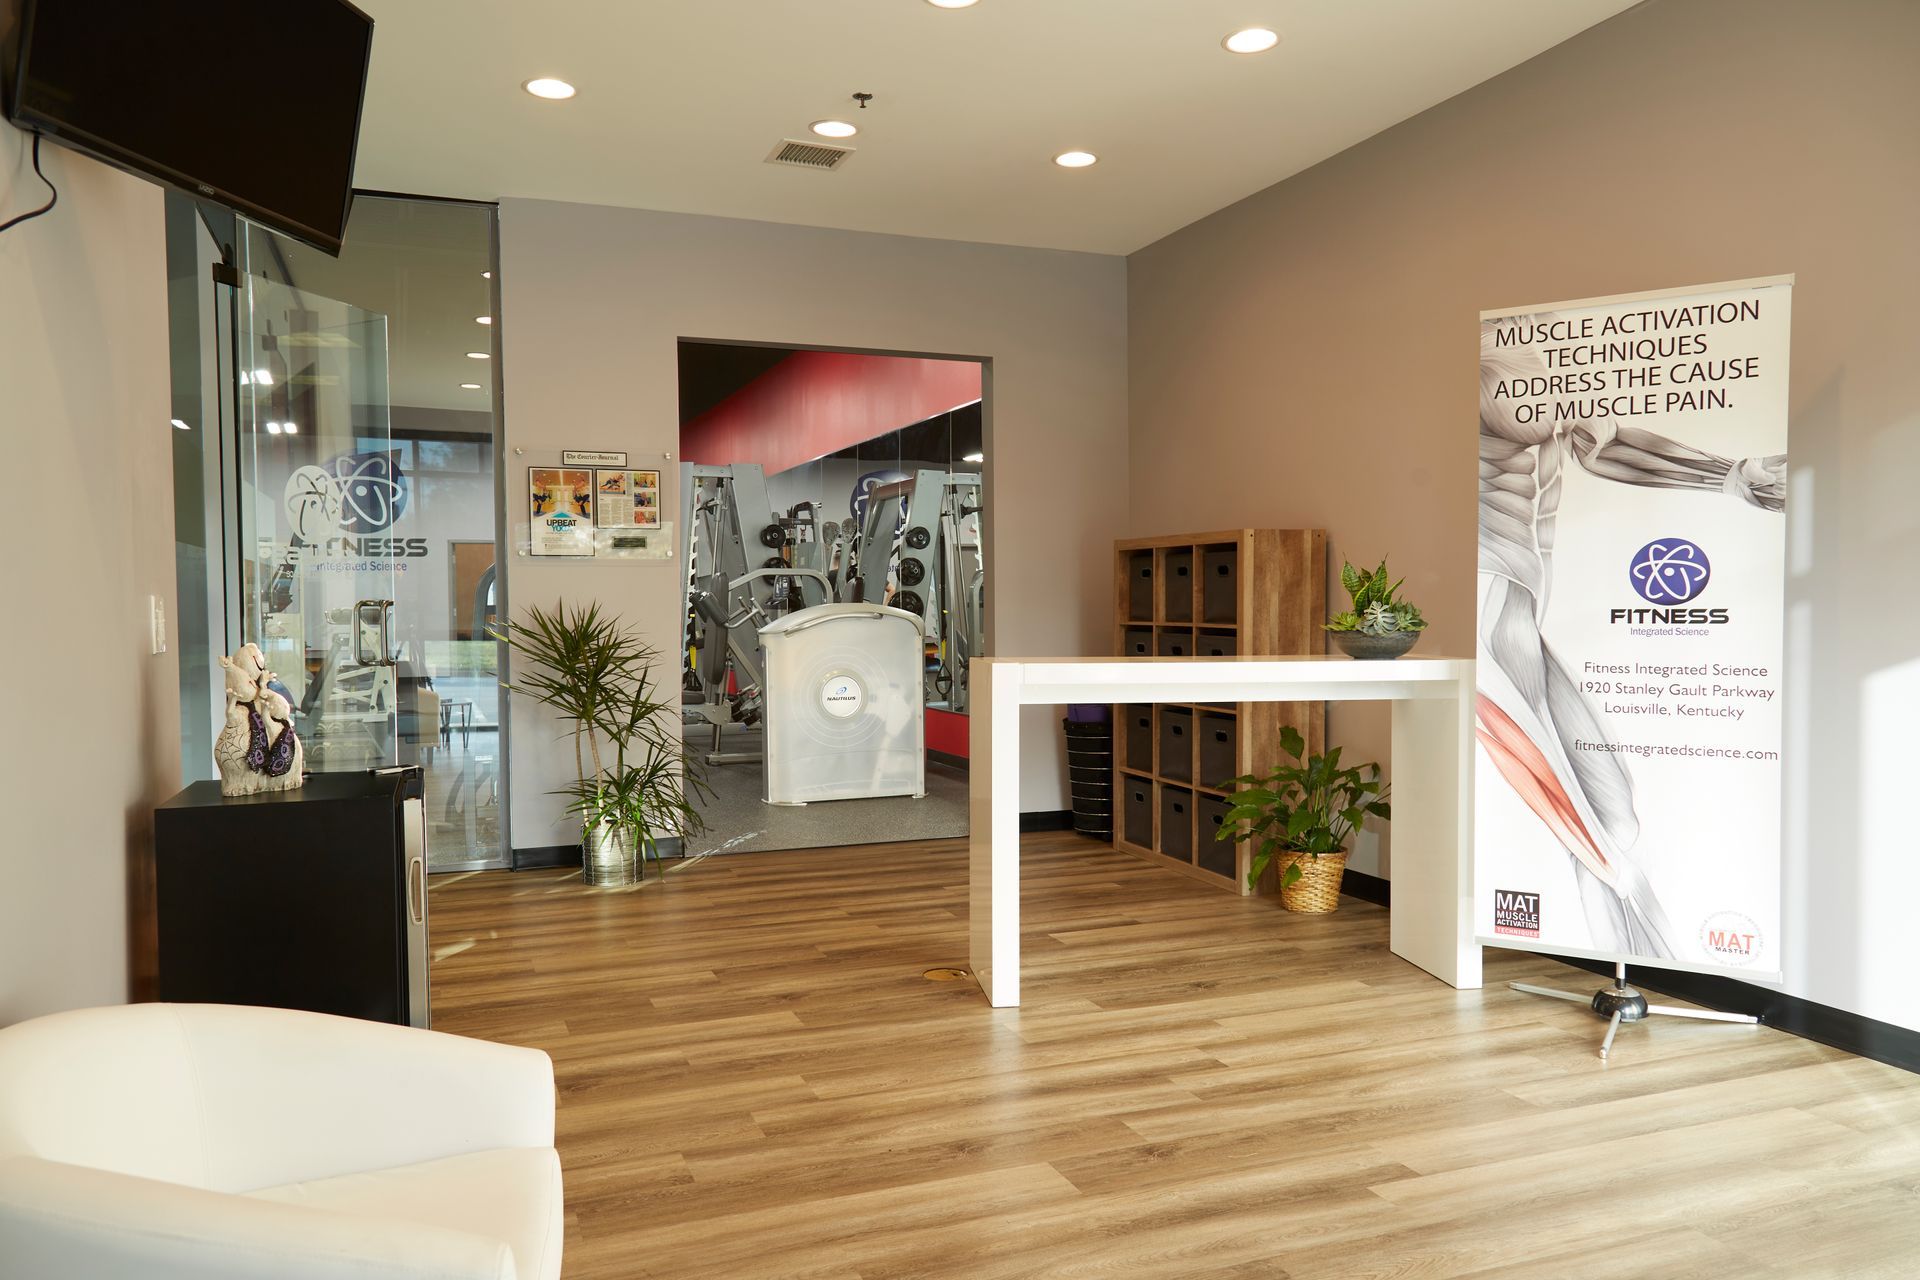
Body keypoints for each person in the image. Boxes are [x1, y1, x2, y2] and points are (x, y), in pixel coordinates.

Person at [1476, 315, 1784, 957]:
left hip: (1521, 604)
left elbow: (1601, 443)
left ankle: (1631, 963)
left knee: (1613, 812)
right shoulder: (1494, 368)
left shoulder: (1539, 372)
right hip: (1488, 596)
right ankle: (1656, 963)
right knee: (1583, 820)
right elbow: (1541, 416)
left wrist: (1730, 475)